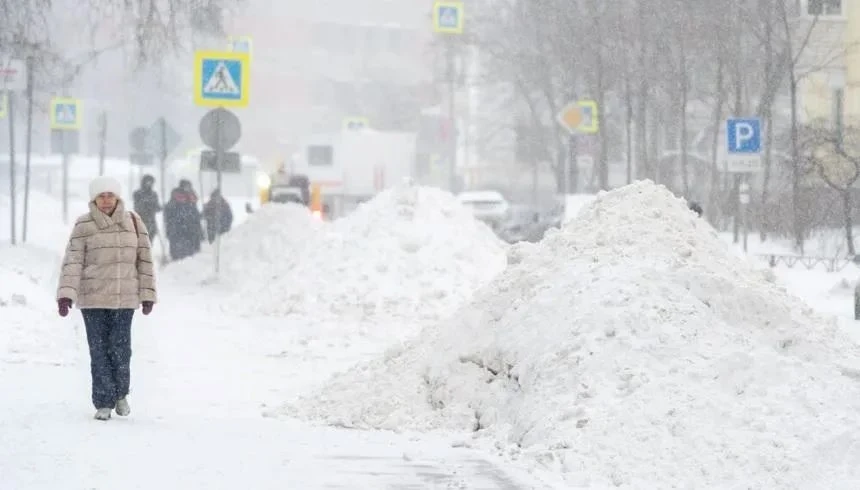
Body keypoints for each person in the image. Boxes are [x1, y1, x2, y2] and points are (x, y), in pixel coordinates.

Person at [56, 176, 157, 421]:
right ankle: (103, 401)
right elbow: (73, 262)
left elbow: (144, 260)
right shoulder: (83, 225)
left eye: (110, 195)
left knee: (121, 349)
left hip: (124, 300)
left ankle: (120, 394)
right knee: (99, 350)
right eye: (101, 195)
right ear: (94, 199)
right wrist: (66, 295)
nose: (106, 200)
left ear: (118, 197)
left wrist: (147, 294)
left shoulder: (133, 222)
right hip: (93, 299)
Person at [163, 179, 203, 261]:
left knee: (191, 249)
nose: (187, 188)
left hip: (191, 229)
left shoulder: (192, 199)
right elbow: (169, 215)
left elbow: (195, 214)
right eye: (185, 186)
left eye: (188, 186)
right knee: (179, 249)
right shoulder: (174, 200)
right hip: (178, 228)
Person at [132, 174, 162, 239]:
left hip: (152, 222)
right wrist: (147, 205)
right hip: (141, 221)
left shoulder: (154, 194)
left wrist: (158, 207)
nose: (149, 184)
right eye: (148, 181)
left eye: (151, 182)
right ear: (144, 182)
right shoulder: (138, 193)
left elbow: (157, 207)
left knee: (149, 242)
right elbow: (137, 207)